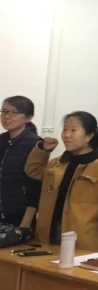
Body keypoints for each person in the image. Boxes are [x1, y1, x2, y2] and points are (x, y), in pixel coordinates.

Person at [24, 111, 98, 253]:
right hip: (49, 235)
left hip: (83, 240)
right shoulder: (60, 162)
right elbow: (33, 171)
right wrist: (43, 150)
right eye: (65, 129)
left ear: (89, 136)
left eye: (73, 130)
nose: (67, 135)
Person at [0, 96, 42, 228]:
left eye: (14, 112)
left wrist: (26, 222)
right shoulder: (1, 140)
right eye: (4, 111)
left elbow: (35, 185)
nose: (7, 116)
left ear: (28, 117)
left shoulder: (36, 144)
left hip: (20, 215)